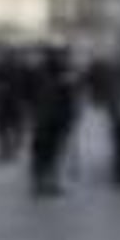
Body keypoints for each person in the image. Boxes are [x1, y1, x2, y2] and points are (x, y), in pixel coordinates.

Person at [29, 45, 80, 196]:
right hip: (49, 119)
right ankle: (43, 181)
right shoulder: (58, 76)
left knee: (49, 151)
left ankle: (45, 181)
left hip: (51, 120)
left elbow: (70, 100)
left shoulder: (61, 75)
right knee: (47, 151)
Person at [0, 47, 32, 163]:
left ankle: (12, 148)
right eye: (8, 56)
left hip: (16, 102)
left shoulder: (22, 69)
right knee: (2, 128)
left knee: (16, 128)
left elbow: (30, 86)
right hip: (3, 102)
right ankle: (4, 150)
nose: (10, 59)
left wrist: (28, 99)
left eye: (11, 56)